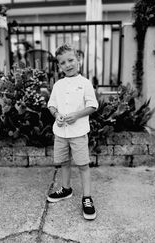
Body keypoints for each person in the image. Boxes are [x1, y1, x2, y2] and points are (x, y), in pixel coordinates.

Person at [47, 43, 98, 220]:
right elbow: (51, 105)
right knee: (63, 162)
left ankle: (87, 198)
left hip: (78, 132)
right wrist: (57, 114)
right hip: (60, 133)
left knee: (83, 165)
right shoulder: (58, 85)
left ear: (78, 60)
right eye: (63, 63)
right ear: (59, 66)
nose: (68, 65)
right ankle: (66, 189)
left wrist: (77, 115)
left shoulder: (85, 83)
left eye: (71, 60)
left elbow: (93, 105)